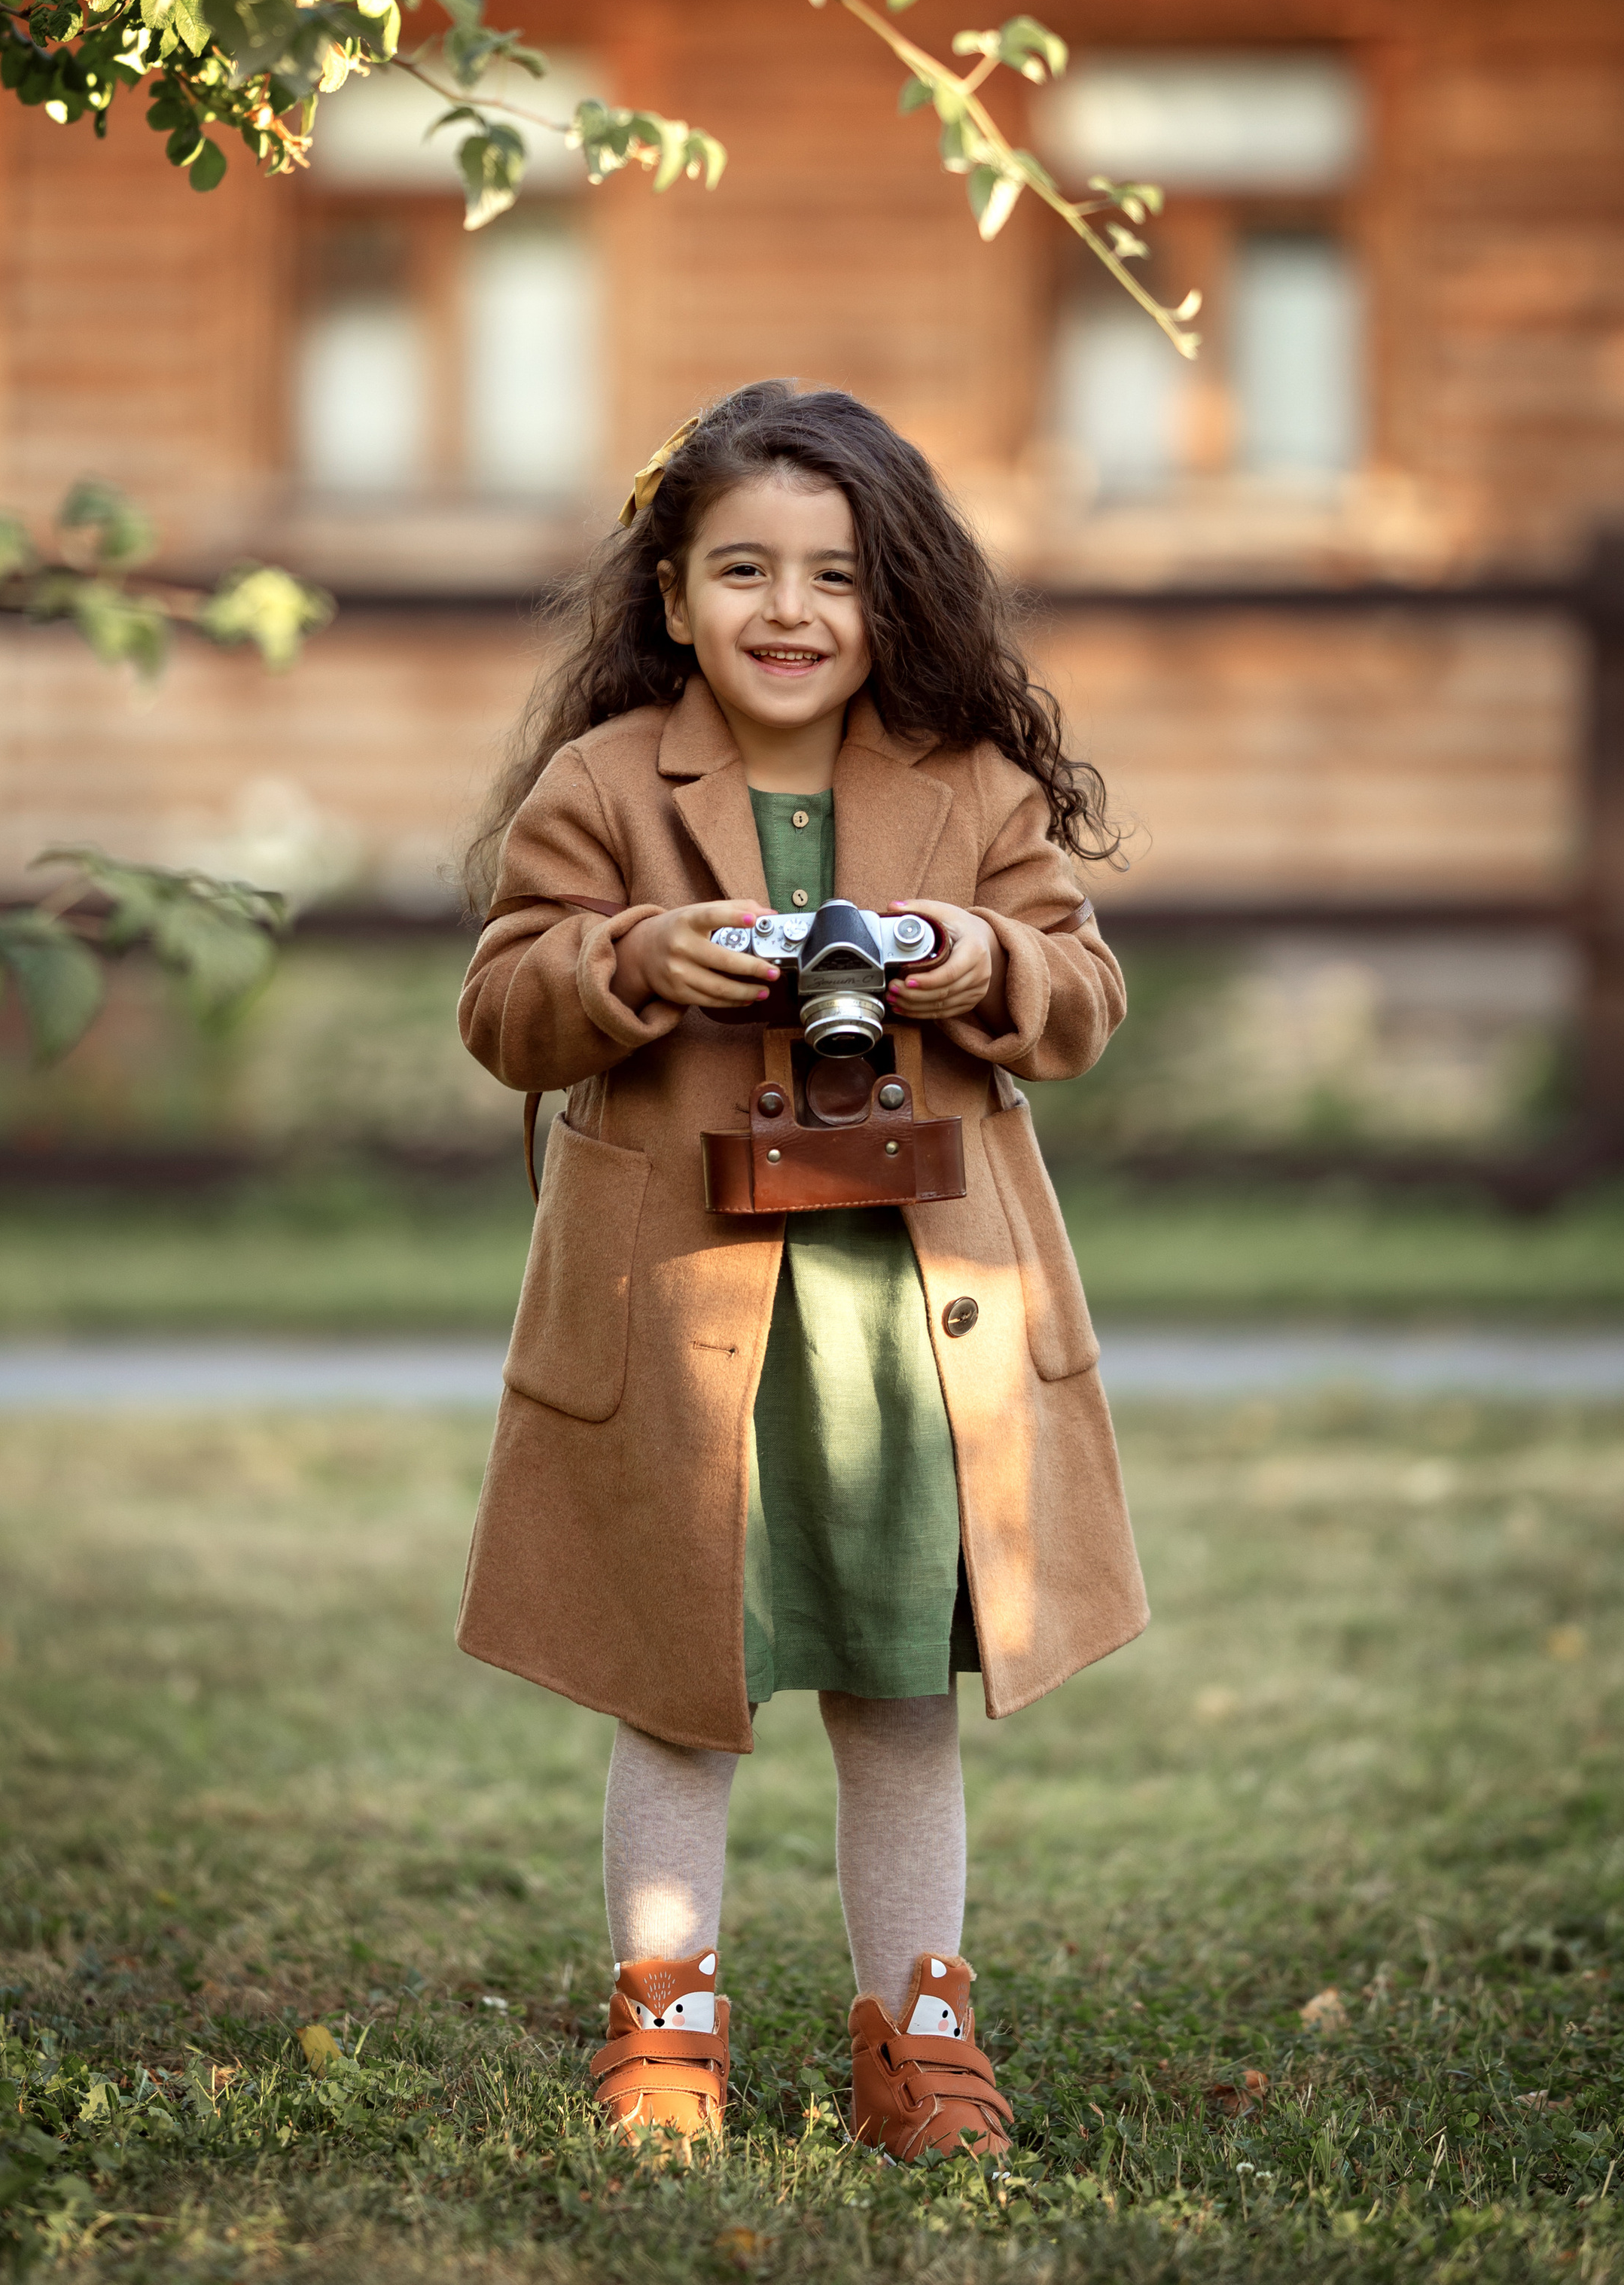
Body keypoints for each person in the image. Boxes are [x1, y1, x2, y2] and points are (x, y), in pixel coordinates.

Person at [457, 380, 1147, 2162]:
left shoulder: (970, 792)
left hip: (908, 1320)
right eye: (740, 569)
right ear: (670, 594)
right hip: (682, 1318)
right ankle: (662, 2021)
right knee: (675, 1684)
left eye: (831, 578)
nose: (785, 612)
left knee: (894, 1692)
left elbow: (1078, 1000)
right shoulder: (603, 784)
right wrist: (635, 957)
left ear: (891, 601)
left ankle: (921, 2032)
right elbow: (503, 1011)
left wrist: (964, 949)